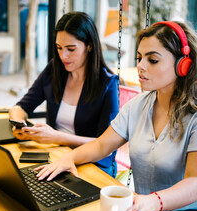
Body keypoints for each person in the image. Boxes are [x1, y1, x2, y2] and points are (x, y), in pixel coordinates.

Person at [35, 21, 197, 211]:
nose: (141, 66)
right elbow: (102, 145)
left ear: (183, 64)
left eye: (153, 60)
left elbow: (196, 182)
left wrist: (154, 201)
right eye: (139, 58)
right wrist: (68, 158)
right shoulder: (138, 105)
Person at [9, 12, 120, 177]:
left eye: (71, 49)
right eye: (59, 48)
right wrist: (19, 125)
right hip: (57, 155)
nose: (63, 56)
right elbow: (21, 107)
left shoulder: (108, 84)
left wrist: (57, 137)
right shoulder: (54, 70)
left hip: (92, 163)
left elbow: (106, 145)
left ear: (89, 45)